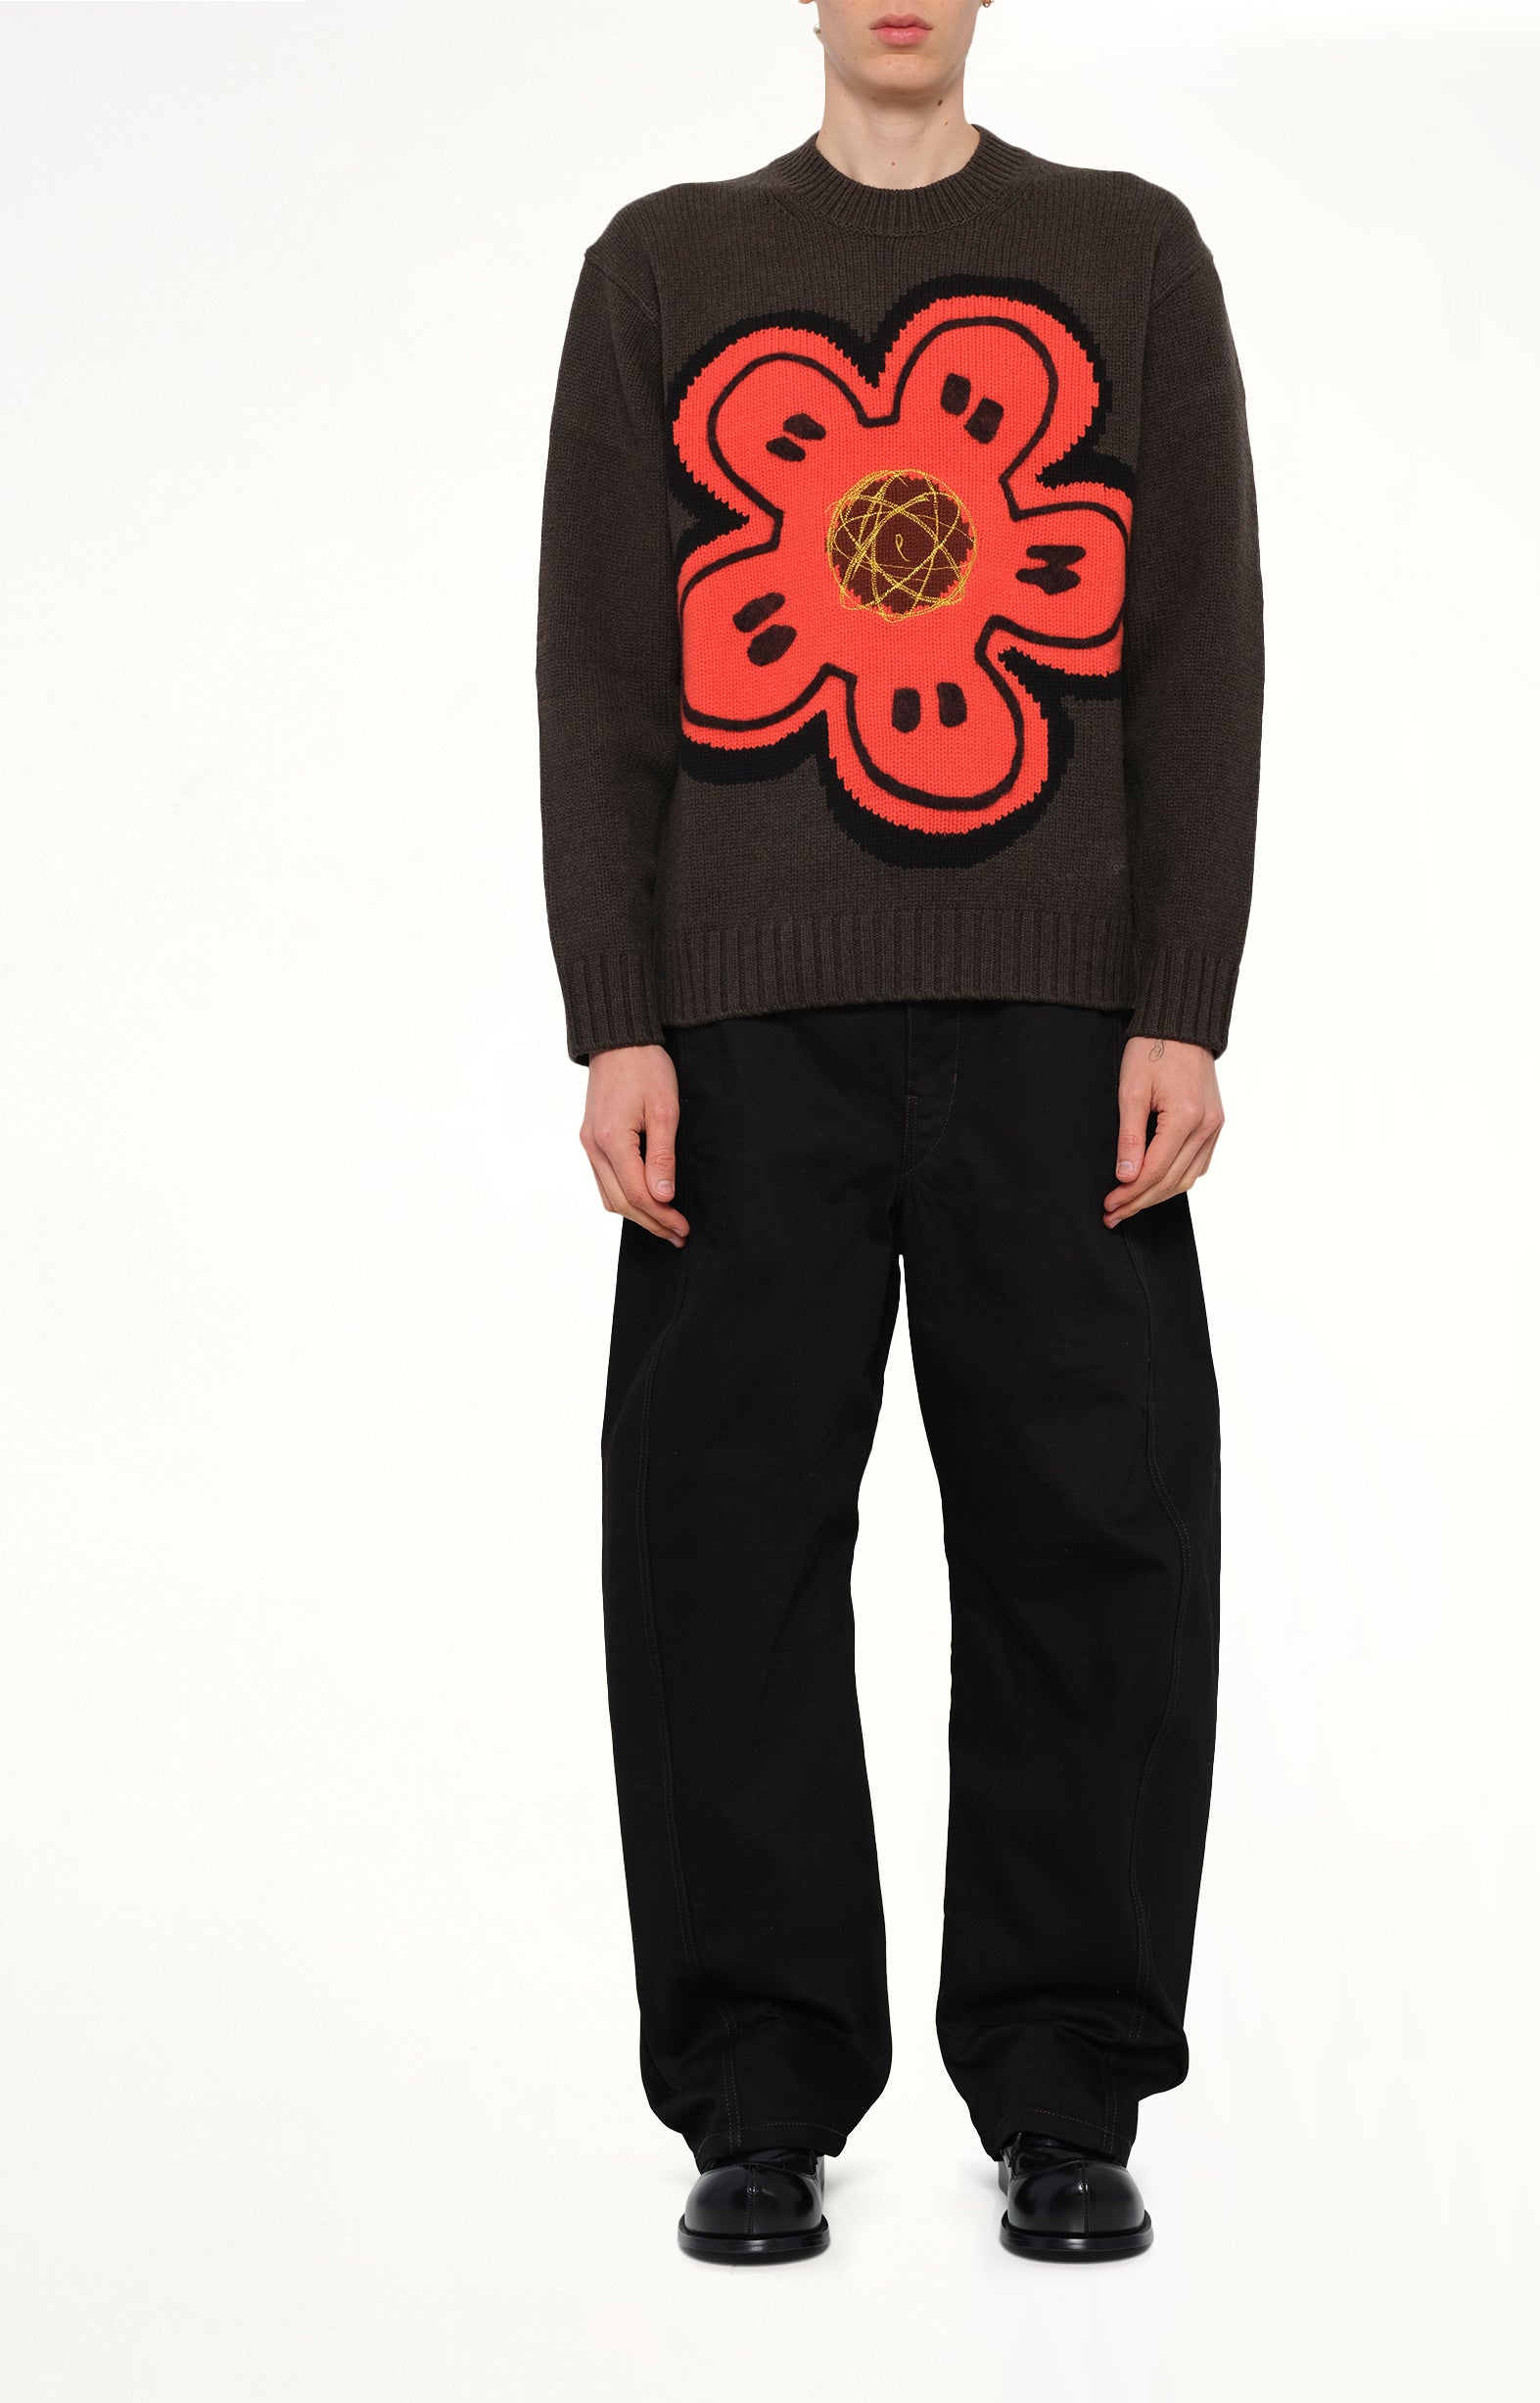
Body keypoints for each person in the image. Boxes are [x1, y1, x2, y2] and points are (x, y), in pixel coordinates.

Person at [537, 0, 1263, 2262]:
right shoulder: (664, 267)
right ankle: (756, 2093)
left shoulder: (1125, 256)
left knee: (1094, 1536)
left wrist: (1182, 1000)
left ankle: (1063, 2088)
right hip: (741, 1030)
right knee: (719, 1540)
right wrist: (615, 1016)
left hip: (1061, 1024)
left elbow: (1196, 649)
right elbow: (601, 668)